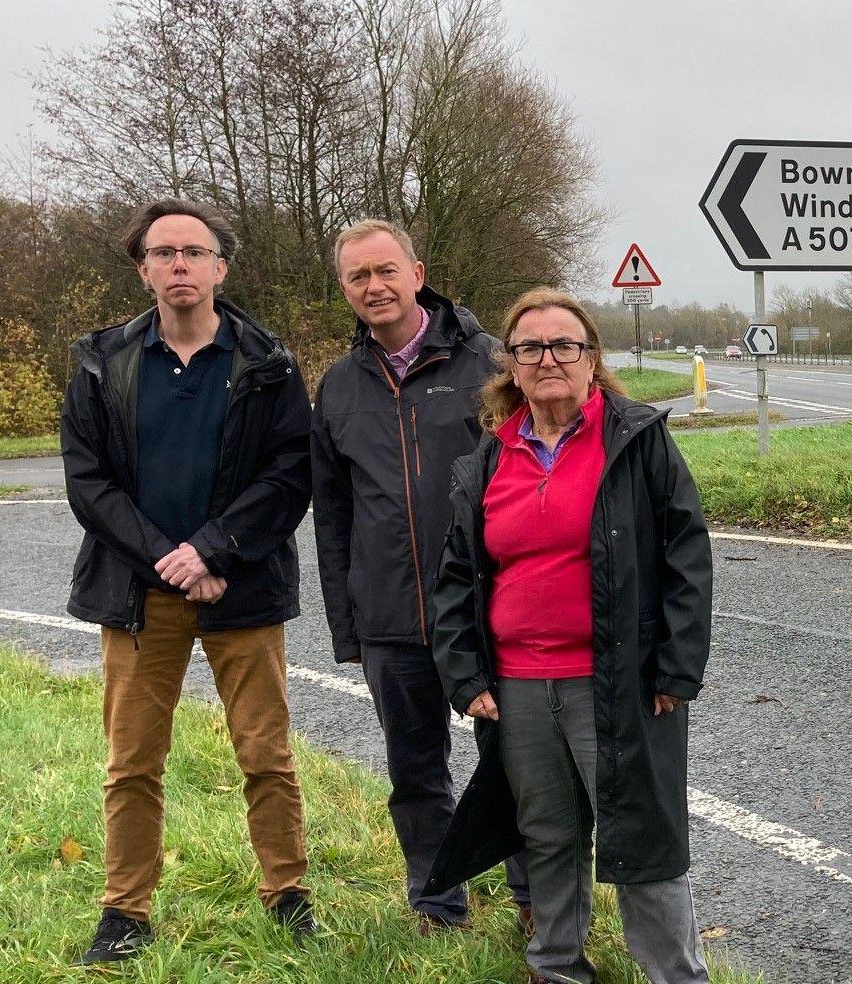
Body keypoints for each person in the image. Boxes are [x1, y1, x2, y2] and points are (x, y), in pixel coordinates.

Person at [425, 288, 714, 984]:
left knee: (642, 838)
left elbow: (686, 556)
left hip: (620, 682)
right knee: (547, 836)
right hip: (519, 686)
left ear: (591, 360)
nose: (547, 359)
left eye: (564, 345)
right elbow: (457, 577)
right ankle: (555, 967)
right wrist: (465, 677)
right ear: (511, 366)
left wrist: (676, 668)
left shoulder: (636, 440)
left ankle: (676, 975)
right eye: (530, 347)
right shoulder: (490, 458)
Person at [59, 199, 315, 964]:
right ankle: (125, 911)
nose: (179, 265)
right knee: (133, 761)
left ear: (219, 267)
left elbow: (287, 475)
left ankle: (288, 896)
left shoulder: (267, 363)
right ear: (143, 269)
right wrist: (167, 558)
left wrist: (212, 550)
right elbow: (88, 482)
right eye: (163, 253)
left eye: (193, 252)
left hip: (241, 587)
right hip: (139, 594)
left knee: (265, 753)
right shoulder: (102, 361)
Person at [310, 218, 530, 934]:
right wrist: (350, 629)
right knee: (415, 775)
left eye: (385, 271)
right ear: (343, 288)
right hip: (389, 619)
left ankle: (538, 903)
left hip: (489, 612)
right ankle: (437, 903)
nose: (374, 287)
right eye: (357, 277)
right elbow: (332, 515)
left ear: (416, 271)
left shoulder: (490, 365)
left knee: (517, 768)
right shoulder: (339, 385)